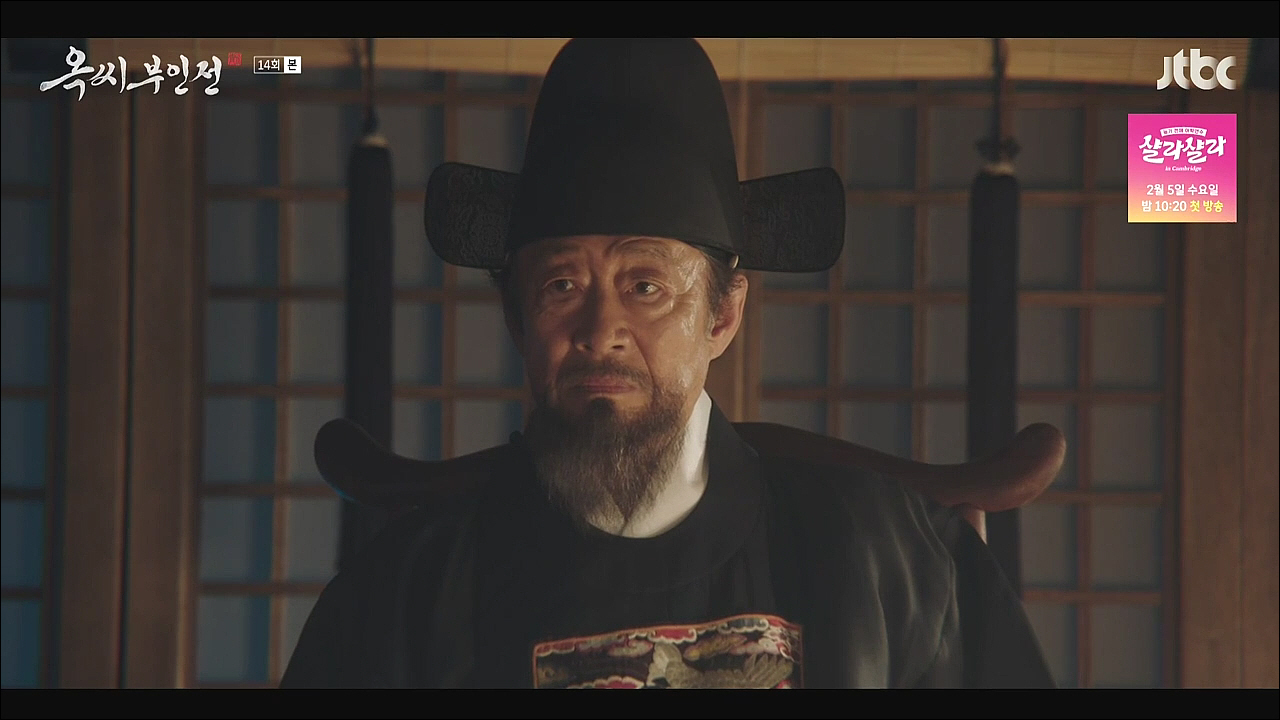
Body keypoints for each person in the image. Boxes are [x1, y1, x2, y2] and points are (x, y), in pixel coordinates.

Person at [280, 37, 1055, 689]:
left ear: (722, 315)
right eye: (561, 286)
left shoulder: (892, 558)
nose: (601, 331)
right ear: (517, 317)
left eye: (645, 287)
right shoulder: (406, 590)